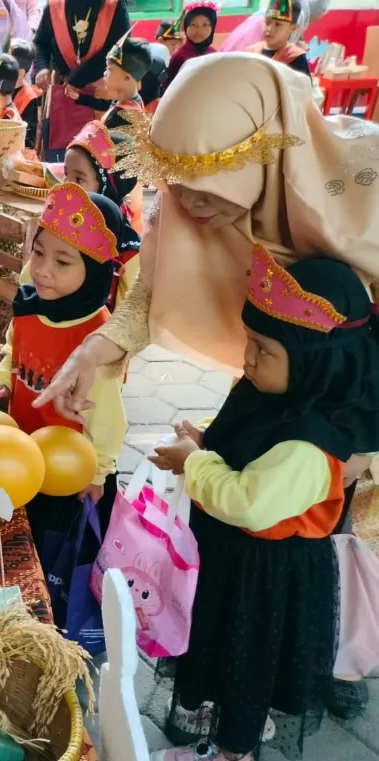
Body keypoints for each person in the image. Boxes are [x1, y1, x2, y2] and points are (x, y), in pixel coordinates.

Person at [32, 53, 379, 719]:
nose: (185, 204)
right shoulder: (200, 198)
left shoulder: (357, 200)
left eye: (205, 185)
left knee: (329, 541)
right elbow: (154, 289)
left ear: (263, 155)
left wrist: (362, 446)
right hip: (278, 377)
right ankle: (244, 655)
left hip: (353, 398)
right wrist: (96, 348)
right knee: (253, 523)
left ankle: (316, 662)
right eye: (175, 181)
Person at [148, 254, 379, 761]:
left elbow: (249, 502)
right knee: (218, 647)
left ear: (317, 361)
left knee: (246, 665)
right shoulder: (272, 395)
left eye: (263, 349)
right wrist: (204, 442)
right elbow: (246, 452)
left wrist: (197, 465)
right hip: (235, 562)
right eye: (249, 342)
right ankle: (218, 722)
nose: (248, 358)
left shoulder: (310, 446)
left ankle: (236, 747)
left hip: (263, 579)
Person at [0, 183, 137, 553]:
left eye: (63, 261)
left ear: (97, 269)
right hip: (23, 449)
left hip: (70, 473)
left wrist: (97, 472)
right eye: (38, 253)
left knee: (59, 550)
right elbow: (14, 349)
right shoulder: (31, 307)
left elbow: (109, 417)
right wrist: (4, 380)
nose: (43, 270)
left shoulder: (99, 340)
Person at [33, 0, 131, 160]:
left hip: (102, 92)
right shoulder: (54, 6)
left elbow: (119, 48)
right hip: (63, 95)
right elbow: (40, 43)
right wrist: (41, 67)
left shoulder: (114, 5)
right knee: (60, 158)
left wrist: (78, 78)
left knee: (100, 158)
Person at [50, 120, 142, 280]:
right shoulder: (61, 223)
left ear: (107, 189)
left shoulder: (127, 254)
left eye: (79, 179)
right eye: (66, 174)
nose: (67, 185)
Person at [67, 35, 151, 130]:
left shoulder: (120, 117)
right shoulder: (133, 100)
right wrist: (79, 97)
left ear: (127, 77)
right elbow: (104, 105)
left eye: (110, 69)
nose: (105, 73)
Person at [245, 0, 311, 78]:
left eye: (278, 24)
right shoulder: (250, 52)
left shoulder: (296, 57)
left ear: (293, 28)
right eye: (267, 22)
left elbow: (302, 88)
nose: (269, 29)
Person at [163, 1, 218, 91]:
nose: (199, 30)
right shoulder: (180, 57)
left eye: (205, 25)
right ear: (185, 26)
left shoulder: (214, 54)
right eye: (193, 25)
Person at [9, 39, 41, 151]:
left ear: (21, 71)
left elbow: (28, 140)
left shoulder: (29, 97)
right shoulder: (0, 88)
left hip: (16, 153)